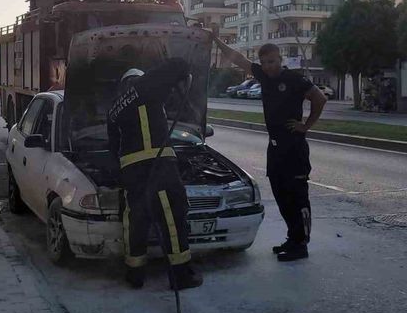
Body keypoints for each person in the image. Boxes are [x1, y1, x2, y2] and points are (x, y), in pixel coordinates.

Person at [214, 38, 326, 261]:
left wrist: (305, 126)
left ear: (280, 59)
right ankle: (292, 238)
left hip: (294, 148)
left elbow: (319, 98)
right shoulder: (263, 77)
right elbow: (238, 58)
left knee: (297, 197)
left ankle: (301, 244)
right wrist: (216, 40)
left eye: (272, 61)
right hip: (274, 149)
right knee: (281, 195)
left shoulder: (294, 78)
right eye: (264, 62)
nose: (268, 66)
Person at [107, 57, 203, 289]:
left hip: (131, 170)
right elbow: (178, 64)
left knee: (135, 219)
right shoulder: (144, 85)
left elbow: (113, 149)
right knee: (171, 216)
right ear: (137, 78)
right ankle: (181, 276)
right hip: (158, 164)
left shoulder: (113, 109)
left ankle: (135, 273)